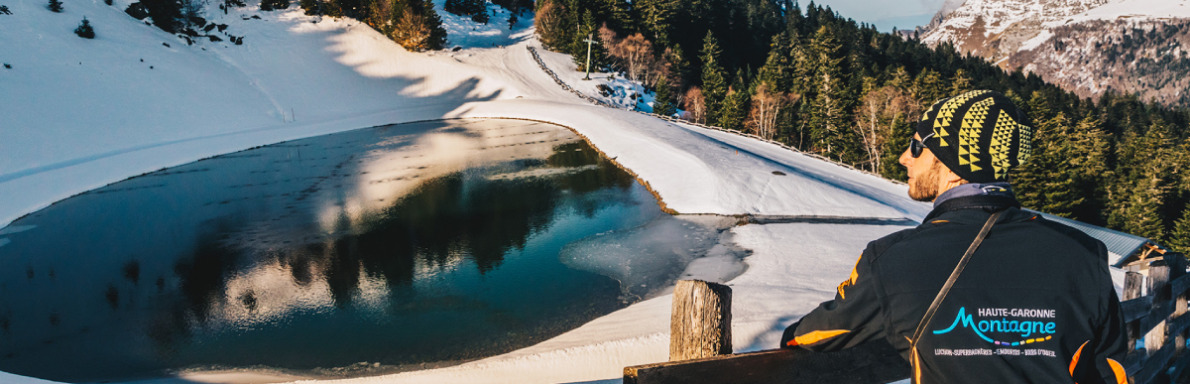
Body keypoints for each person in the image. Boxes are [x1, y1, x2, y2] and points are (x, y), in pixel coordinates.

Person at [780, 90, 1128, 384]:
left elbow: (813, 335)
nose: (905, 158)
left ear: (951, 165)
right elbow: (1110, 370)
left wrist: (788, 337)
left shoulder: (893, 258)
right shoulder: (1084, 254)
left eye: (916, 147)